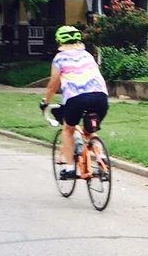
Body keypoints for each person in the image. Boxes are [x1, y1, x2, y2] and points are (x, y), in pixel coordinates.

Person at [42, 25, 108, 179]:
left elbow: (53, 85)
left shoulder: (60, 58)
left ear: (59, 42)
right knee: (90, 131)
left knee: (68, 130)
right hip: (101, 97)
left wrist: (46, 102)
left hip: (77, 98)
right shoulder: (87, 55)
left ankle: (70, 168)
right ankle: (102, 162)